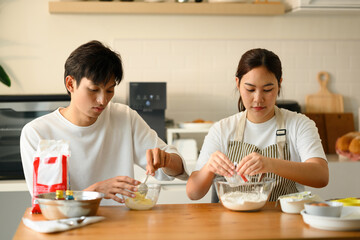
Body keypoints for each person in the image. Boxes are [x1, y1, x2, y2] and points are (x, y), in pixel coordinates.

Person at [20, 40, 188, 205]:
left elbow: (178, 171)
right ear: (70, 84)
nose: (103, 100)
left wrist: (166, 160)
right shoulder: (37, 133)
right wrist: (95, 192)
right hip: (69, 228)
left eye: (110, 90)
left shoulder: (124, 117)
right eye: (93, 90)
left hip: (122, 225)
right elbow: (46, 204)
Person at [186, 48, 329, 202]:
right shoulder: (222, 129)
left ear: (279, 84)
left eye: (267, 89)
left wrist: (270, 164)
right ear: (238, 83)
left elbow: (321, 176)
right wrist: (208, 168)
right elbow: (193, 193)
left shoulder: (299, 124)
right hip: (232, 223)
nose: (258, 99)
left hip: (284, 221)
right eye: (250, 89)